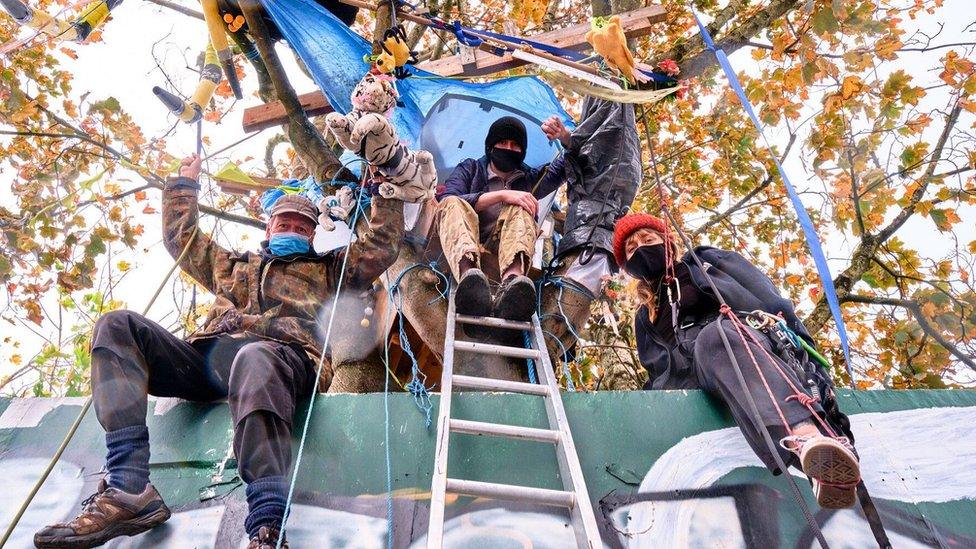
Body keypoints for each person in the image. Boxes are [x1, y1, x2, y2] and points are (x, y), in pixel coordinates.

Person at [34, 154, 404, 549]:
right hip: (211, 358)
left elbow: (381, 247)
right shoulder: (236, 266)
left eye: (302, 226)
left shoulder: (332, 270)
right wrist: (183, 187)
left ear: (313, 234)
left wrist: (386, 189)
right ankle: (128, 490)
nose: (292, 229)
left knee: (255, 357)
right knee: (116, 325)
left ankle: (265, 529)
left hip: (284, 359)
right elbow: (184, 240)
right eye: (285, 223)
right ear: (269, 226)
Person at [614, 213, 861, 509]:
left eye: (647, 239)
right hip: (690, 380)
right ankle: (819, 462)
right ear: (628, 267)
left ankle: (810, 443)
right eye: (631, 248)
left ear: (667, 241)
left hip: (736, 345)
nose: (640, 246)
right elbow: (655, 369)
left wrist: (806, 354)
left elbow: (768, 300)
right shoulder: (644, 317)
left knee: (714, 336)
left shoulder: (705, 262)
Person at [436, 115, 571, 325]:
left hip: (505, 249)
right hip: (468, 242)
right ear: (491, 147)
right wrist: (502, 195)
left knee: (524, 205)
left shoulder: (529, 179)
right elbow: (445, 200)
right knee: (452, 202)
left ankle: (512, 284)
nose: (508, 148)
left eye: (515, 145)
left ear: (522, 151)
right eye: (503, 143)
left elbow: (565, 165)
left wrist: (565, 138)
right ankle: (469, 278)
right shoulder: (471, 168)